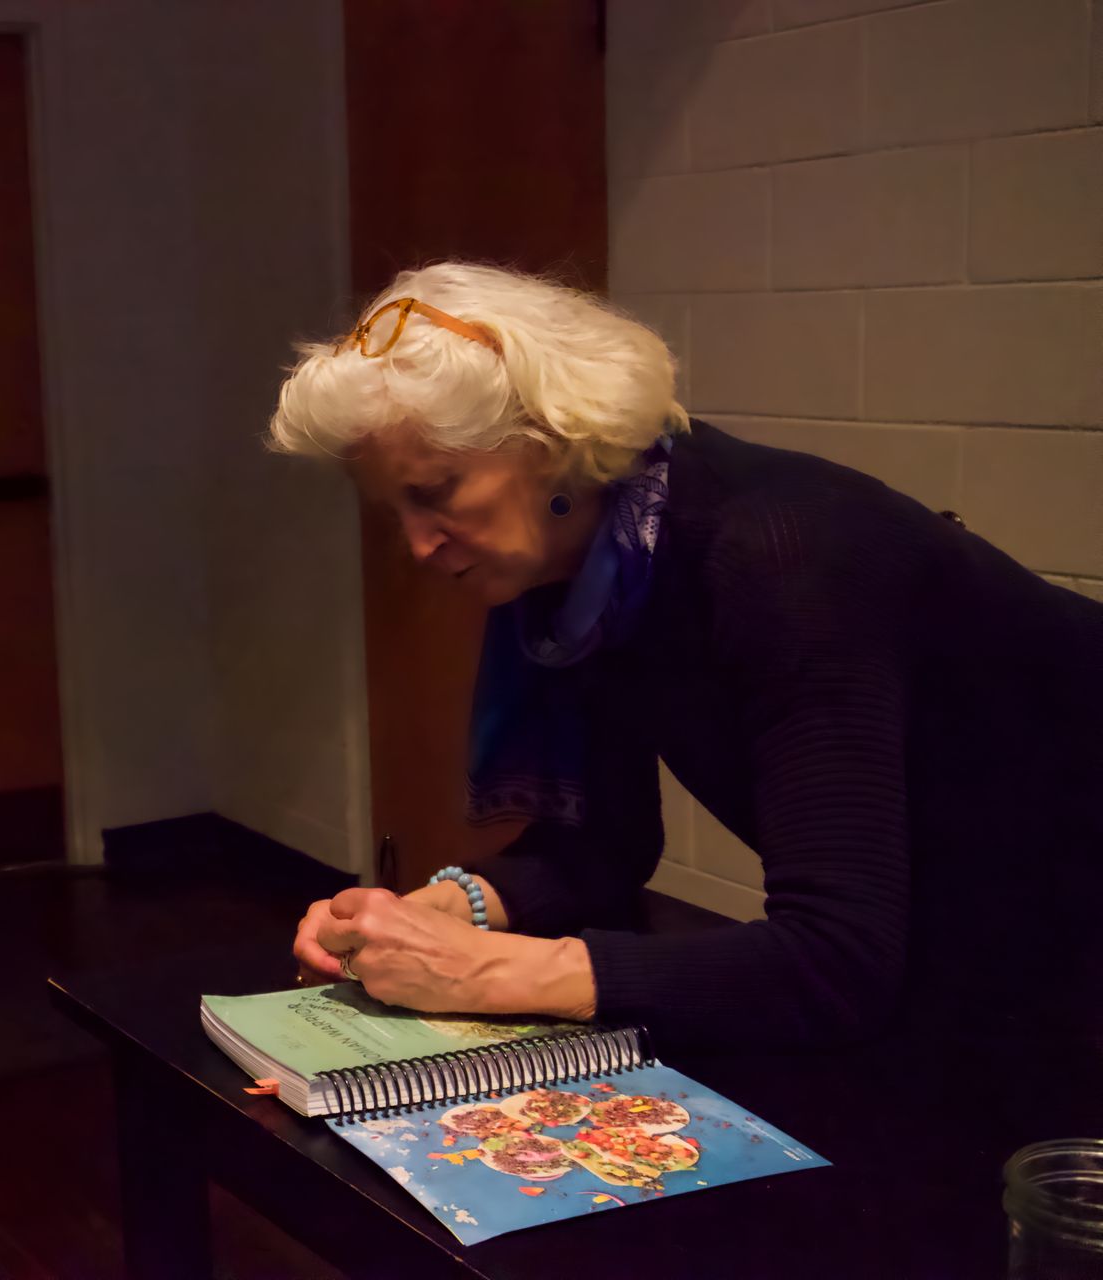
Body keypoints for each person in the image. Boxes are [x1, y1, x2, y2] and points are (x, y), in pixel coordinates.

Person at [280, 262, 1103, 1051]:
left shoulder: (784, 557)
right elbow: (602, 848)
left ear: (552, 444)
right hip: (984, 929)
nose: (417, 546)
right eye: (396, 511)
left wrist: (488, 972)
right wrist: (443, 914)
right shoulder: (581, 566)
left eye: (436, 491)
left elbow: (837, 961)